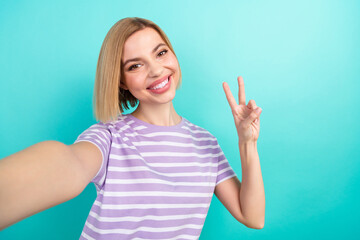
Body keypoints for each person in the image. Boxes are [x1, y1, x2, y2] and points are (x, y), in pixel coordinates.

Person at [0, 17, 265, 239]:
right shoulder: (110, 135)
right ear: (122, 81)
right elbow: (71, 162)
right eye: (135, 65)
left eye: (160, 52)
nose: (156, 70)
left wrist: (247, 143)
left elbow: (252, 216)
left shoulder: (205, 143)